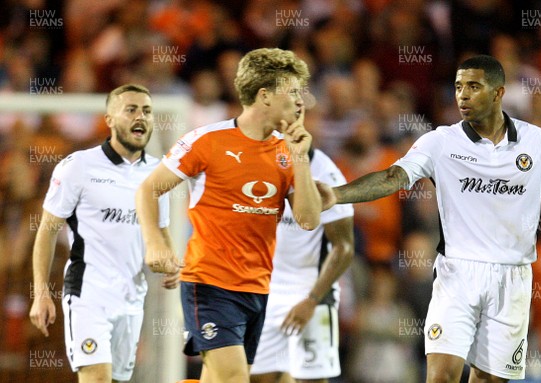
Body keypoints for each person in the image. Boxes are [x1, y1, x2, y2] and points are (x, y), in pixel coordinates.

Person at [320, 55, 541, 382]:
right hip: (457, 274)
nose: (463, 95)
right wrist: (336, 194)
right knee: (441, 376)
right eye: (458, 87)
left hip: (512, 278)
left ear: (499, 93)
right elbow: (392, 177)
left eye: (474, 86)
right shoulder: (440, 142)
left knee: (489, 379)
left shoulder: (538, 142)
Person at [135, 48, 322, 383]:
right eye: (293, 92)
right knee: (235, 378)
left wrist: (301, 158)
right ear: (264, 95)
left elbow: (308, 219)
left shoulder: (287, 151)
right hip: (209, 283)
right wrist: (155, 242)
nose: (301, 102)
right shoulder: (207, 142)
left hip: (257, 288)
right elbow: (148, 189)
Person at [29, 84, 177, 383]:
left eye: (147, 111)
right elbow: (47, 230)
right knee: (96, 378)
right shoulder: (78, 167)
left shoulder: (159, 173)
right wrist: (41, 292)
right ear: (109, 119)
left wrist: (171, 259)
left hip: (133, 296)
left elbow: (160, 228)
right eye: (131, 109)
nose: (141, 117)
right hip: (89, 293)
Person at [250, 147, 354, 383]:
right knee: (259, 378)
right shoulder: (257, 163)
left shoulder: (326, 173)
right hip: (264, 291)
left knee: (310, 380)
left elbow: (344, 248)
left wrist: (312, 300)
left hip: (309, 292)